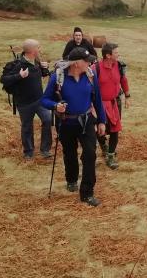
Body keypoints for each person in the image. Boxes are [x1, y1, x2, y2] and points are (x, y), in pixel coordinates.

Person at [41, 47, 106, 207]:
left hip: (86, 121)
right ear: (76, 63)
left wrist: (101, 121)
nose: (90, 63)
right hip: (66, 123)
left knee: (90, 154)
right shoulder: (58, 77)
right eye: (87, 61)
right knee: (69, 154)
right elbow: (44, 100)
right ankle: (71, 179)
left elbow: (97, 99)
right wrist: (56, 105)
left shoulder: (91, 75)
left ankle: (87, 192)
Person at [0, 39, 52, 160]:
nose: (40, 50)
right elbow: (3, 79)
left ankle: (45, 149)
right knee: (27, 126)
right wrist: (19, 76)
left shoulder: (37, 61)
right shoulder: (18, 65)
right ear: (33, 51)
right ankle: (28, 152)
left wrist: (45, 68)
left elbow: (42, 75)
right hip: (24, 103)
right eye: (38, 48)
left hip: (39, 99)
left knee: (48, 120)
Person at [95, 43, 131, 169]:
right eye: (116, 52)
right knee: (100, 130)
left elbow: (123, 80)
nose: (118, 54)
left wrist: (127, 96)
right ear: (108, 55)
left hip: (114, 102)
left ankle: (110, 155)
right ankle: (103, 145)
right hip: (100, 104)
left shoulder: (119, 65)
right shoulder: (96, 68)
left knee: (115, 129)